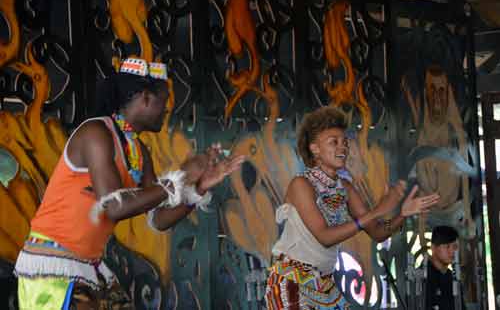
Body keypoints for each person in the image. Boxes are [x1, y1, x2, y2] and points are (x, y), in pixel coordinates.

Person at [14, 58, 245, 309]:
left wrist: (199, 187)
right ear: (145, 97)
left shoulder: (137, 151)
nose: (167, 109)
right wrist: (178, 177)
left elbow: (158, 219)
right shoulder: (96, 134)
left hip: (87, 267)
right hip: (53, 267)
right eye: (163, 100)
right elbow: (114, 205)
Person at [264, 106, 439, 309]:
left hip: (324, 284)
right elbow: (325, 237)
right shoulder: (301, 185)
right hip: (291, 283)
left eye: (345, 142)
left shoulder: (344, 188)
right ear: (314, 149)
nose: (343, 148)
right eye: (334, 142)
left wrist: (402, 214)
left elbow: (378, 233)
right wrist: (378, 210)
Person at [425, 225, 464, 310]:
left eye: (455, 247)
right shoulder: (422, 277)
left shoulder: (453, 277)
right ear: (433, 247)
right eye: (447, 246)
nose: (452, 251)